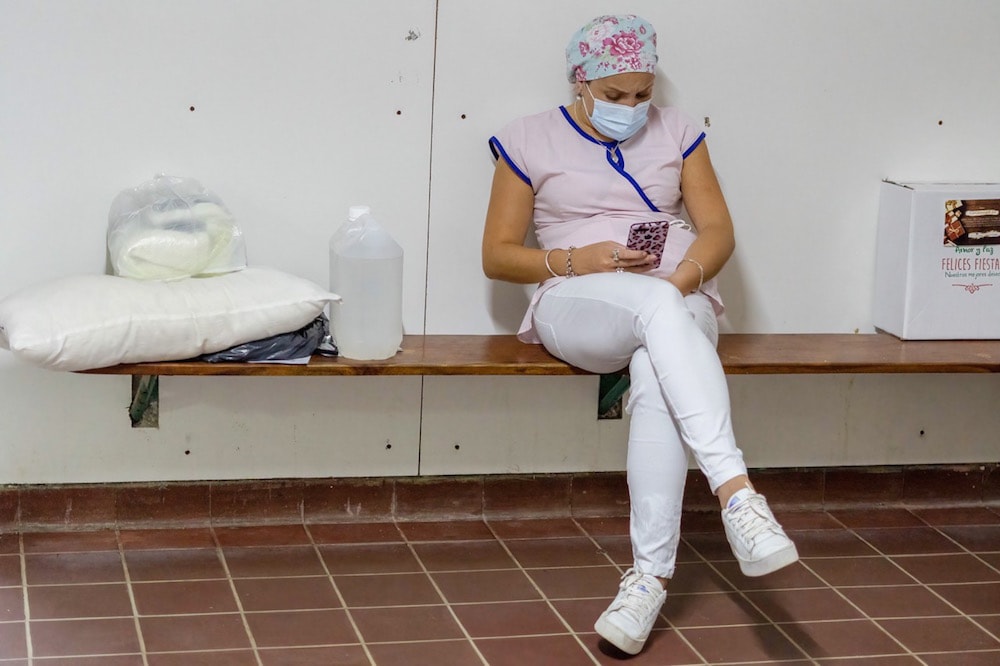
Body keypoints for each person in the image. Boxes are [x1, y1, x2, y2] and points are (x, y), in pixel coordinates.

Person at [481, 14, 799, 656]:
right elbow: (496, 255)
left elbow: (718, 231)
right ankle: (737, 494)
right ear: (581, 81)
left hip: (677, 295)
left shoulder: (680, 131)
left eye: (642, 94)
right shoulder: (526, 139)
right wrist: (579, 260)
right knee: (658, 319)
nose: (633, 108)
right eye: (616, 96)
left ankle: (648, 582)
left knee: (658, 370)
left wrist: (679, 280)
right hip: (577, 298)